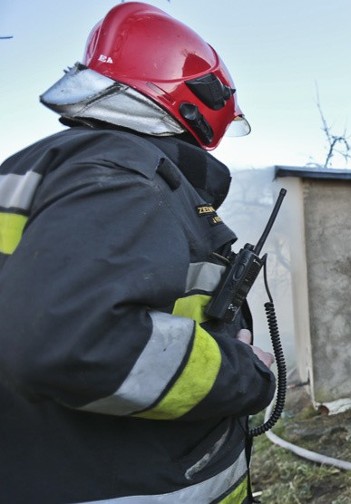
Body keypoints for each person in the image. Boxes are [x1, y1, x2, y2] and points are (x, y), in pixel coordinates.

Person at [0, 3, 276, 502]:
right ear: (199, 101)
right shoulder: (127, 174)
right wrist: (245, 371)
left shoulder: (39, 166)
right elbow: (79, 342)